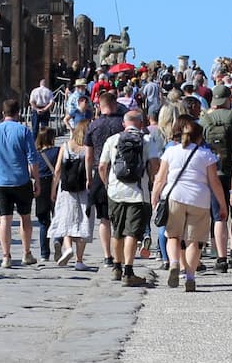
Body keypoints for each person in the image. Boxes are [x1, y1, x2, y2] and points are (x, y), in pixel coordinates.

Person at [152, 117, 229, 292]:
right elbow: (215, 182)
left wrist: (155, 196)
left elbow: (160, 178)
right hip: (199, 199)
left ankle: (174, 263)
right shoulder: (205, 154)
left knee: (173, 236)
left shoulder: (170, 152)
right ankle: (190, 276)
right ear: (199, 137)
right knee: (195, 241)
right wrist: (222, 205)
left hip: (175, 196)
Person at [97, 107, 163, 289]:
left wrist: (107, 184)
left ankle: (116, 267)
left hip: (115, 192)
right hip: (138, 192)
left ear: (124, 124)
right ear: (141, 124)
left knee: (117, 231)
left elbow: (102, 166)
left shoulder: (113, 140)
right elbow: (155, 164)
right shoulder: (147, 139)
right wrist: (149, 178)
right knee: (132, 233)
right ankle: (128, 271)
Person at [0, 98, 39, 270]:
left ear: (2, 113)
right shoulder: (23, 131)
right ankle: (26, 252)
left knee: (4, 220)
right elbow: (32, 158)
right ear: (18, 113)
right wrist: (36, 179)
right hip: (21, 180)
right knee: (25, 217)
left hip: (1, 181)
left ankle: (6, 256)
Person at [83, 91, 126, 274]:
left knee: (104, 218)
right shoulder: (122, 124)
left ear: (99, 106)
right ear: (114, 104)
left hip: (101, 172)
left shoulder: (93, 125)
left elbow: (88, 155)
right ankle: (121, 256)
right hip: (121, 173)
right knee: (121, 217)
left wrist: (88, 177)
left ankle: (108, 255)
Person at [48, 120, 96, 267]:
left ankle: (68, 248)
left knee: (66, 220)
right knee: (83, 221)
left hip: (66, 189)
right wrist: (89, 179)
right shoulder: (87, 148)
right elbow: (89, 162)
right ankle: (79, 260)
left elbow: (57, 170)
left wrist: (53, 189)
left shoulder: (65, 146)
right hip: (83, 189)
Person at [201, 86, 232, 268]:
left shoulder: (204, 120)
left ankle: (221, 258)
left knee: (218, 217)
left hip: (213, 173)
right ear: (228, 99)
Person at [32, 125, 58, 263]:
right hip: (55, 184)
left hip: (41, 184)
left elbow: (31, 172)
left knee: (43, 221)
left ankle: (44, 253)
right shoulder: (58, 151)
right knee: (58, 217)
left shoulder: (35, 154)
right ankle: (58, 242)